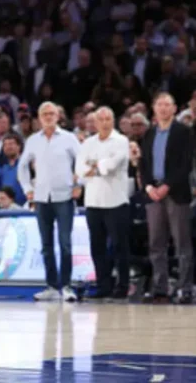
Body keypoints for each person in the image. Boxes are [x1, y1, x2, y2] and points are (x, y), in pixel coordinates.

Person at [18, 101, 82, 302]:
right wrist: (28, 189)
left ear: (58, 116)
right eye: (44, 113)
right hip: (41, 198)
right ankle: (52, 286)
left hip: (63, 197)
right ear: (39, 117)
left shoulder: (69, 138)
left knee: (65, 244)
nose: (48, 116)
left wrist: (78, 183)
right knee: (46, 245)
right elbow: (22, 167)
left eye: (51, 113)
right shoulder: (33, 140)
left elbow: (81, 161)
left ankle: (67, 286)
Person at [139, 93, 196, 303]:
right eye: (159, 105)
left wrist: (167, 185)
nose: (163, 108)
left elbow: (185, 164)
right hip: (153, 193)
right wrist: (147, 186)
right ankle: (160, 286)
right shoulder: (149, 133)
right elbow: (143, 164)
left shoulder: (184, 132)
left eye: (167, 105)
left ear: (174, 109)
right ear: (154, 108)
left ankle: (185, 287)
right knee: (156, 243)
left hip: (175, 192)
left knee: (181, 242)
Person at [76, 107, 131, 300]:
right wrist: (96, 166)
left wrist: (94, 166)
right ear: (96, 123)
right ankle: (103, 285)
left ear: (113, 121)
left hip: (116, 201)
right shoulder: (88, 143)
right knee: (97, 247)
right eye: (101, 119)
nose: (105, 122)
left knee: (119, 247)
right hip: (93, 202)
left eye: (108, 119)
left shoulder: (121, 141)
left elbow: (111, 166)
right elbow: (79, 169)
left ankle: (122, 287)